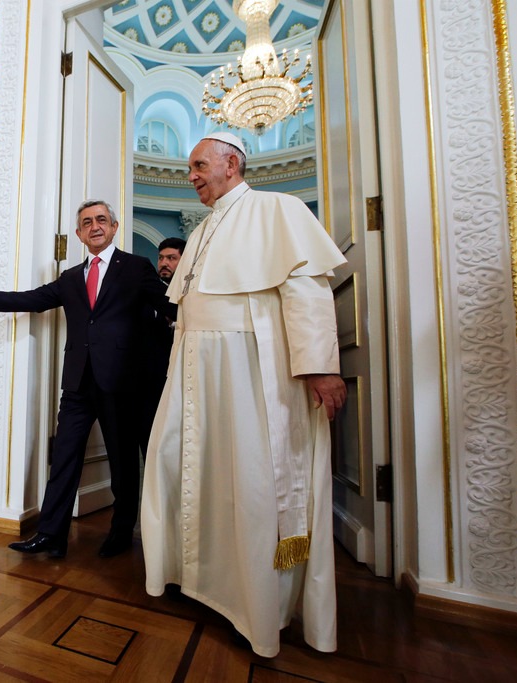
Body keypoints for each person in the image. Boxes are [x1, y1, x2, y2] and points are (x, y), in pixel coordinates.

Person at [140, 132, 348, 658]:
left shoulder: (277, 209)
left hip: (249, 371)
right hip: (192, 371)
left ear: (232, 163)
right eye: (190, 168)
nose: (191, 176)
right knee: (194, 473)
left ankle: (260, 604)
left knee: (250, 480)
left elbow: (306, 291)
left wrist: (321, 367)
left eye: (198, 165)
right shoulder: (205, 228)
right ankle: (206, 582)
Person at [0, 200, 167, 559]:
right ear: (79, 235)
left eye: (101, 220)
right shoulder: (70, 278)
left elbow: (167, 305)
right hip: (78, 383)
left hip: (122, 382)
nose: (94, 226)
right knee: (63, 456)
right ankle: (51, 534)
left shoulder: (136, 267)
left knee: (122, 460)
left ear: (113, 227)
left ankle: (121, 529)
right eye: (86, 222)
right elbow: (35, 299)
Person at [137, 237, 186, 458]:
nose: (164, 263)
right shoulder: (145, 292)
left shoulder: (192, 294)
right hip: (149, 383)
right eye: (161, 258)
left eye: (171, 258)